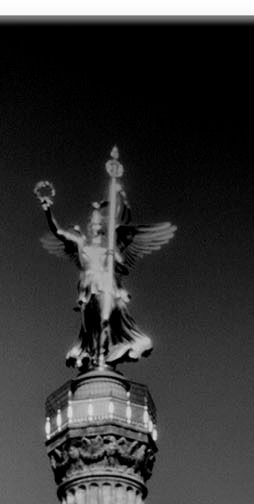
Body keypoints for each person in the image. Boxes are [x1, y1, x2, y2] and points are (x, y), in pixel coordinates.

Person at [37, 149, 175, 370]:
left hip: (107, 285)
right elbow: (58, 232)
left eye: (97, 224)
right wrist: (47, 209)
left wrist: (117, 192)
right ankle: (96, 357)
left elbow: (120, 248)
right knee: (91, 329)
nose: (94, 227)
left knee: (105, 320)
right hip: (88, 288)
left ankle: (103, 358)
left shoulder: (110, 244)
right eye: (91, 224)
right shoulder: (81, 243)